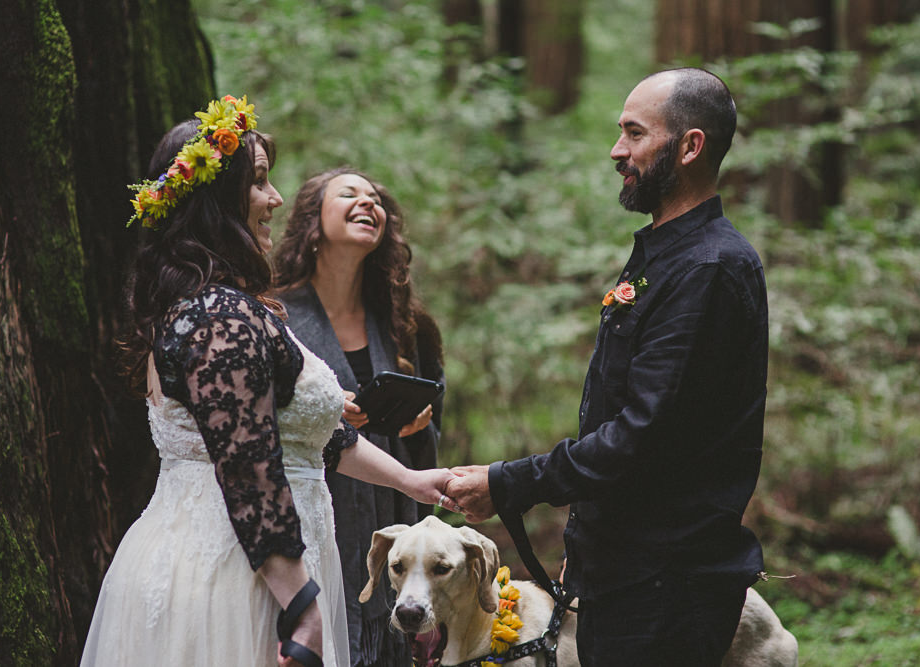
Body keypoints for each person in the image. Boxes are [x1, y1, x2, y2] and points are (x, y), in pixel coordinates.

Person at [80, 96, 461, 667]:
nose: (274, 199)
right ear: (218, 198)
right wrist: (300, 606)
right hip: (239, 573)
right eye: (259, 182)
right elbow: (248, 469)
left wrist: (410, 481)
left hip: (264, 562)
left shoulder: (226, 307)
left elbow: (305, 437)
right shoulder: (219, 318)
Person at [447, 68, 769, 667]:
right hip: (625, 574)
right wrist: (590, 545)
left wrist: (506, 482)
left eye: (634, 134)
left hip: (668, 586)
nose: (617, 151)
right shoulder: (665, 257)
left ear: (690, 146)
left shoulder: (709, 270)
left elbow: (642, 437)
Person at [272, 167, 444, 667]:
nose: (367, 202)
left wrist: (414, 431)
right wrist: (323, 412)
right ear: (311, 220)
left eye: (375, 199)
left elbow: (434, 427)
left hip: (390, 523)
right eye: (348, 193)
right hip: (314, 519)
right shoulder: (275, 315)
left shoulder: (407, 323)